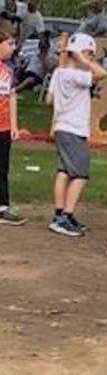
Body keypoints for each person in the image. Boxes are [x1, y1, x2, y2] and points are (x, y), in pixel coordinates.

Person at [46, 33, 107, 236]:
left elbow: (49, 99)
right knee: (80, 174)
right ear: (80, 53)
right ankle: (66, 214)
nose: (91, 59)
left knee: (64, 171)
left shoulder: (59, 73)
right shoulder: (76, 75)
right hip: (74, 128)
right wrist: (83, 60)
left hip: (62, 126)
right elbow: (102, 73)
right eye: (89, 54)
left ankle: (60, 213)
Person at [0, 20, 26, 225]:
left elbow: (12, 96)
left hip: (4, 127)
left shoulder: (8, 70)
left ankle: (2, 205)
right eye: (9, 43)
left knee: (2, 167)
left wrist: (14, 125)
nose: (13, 48)